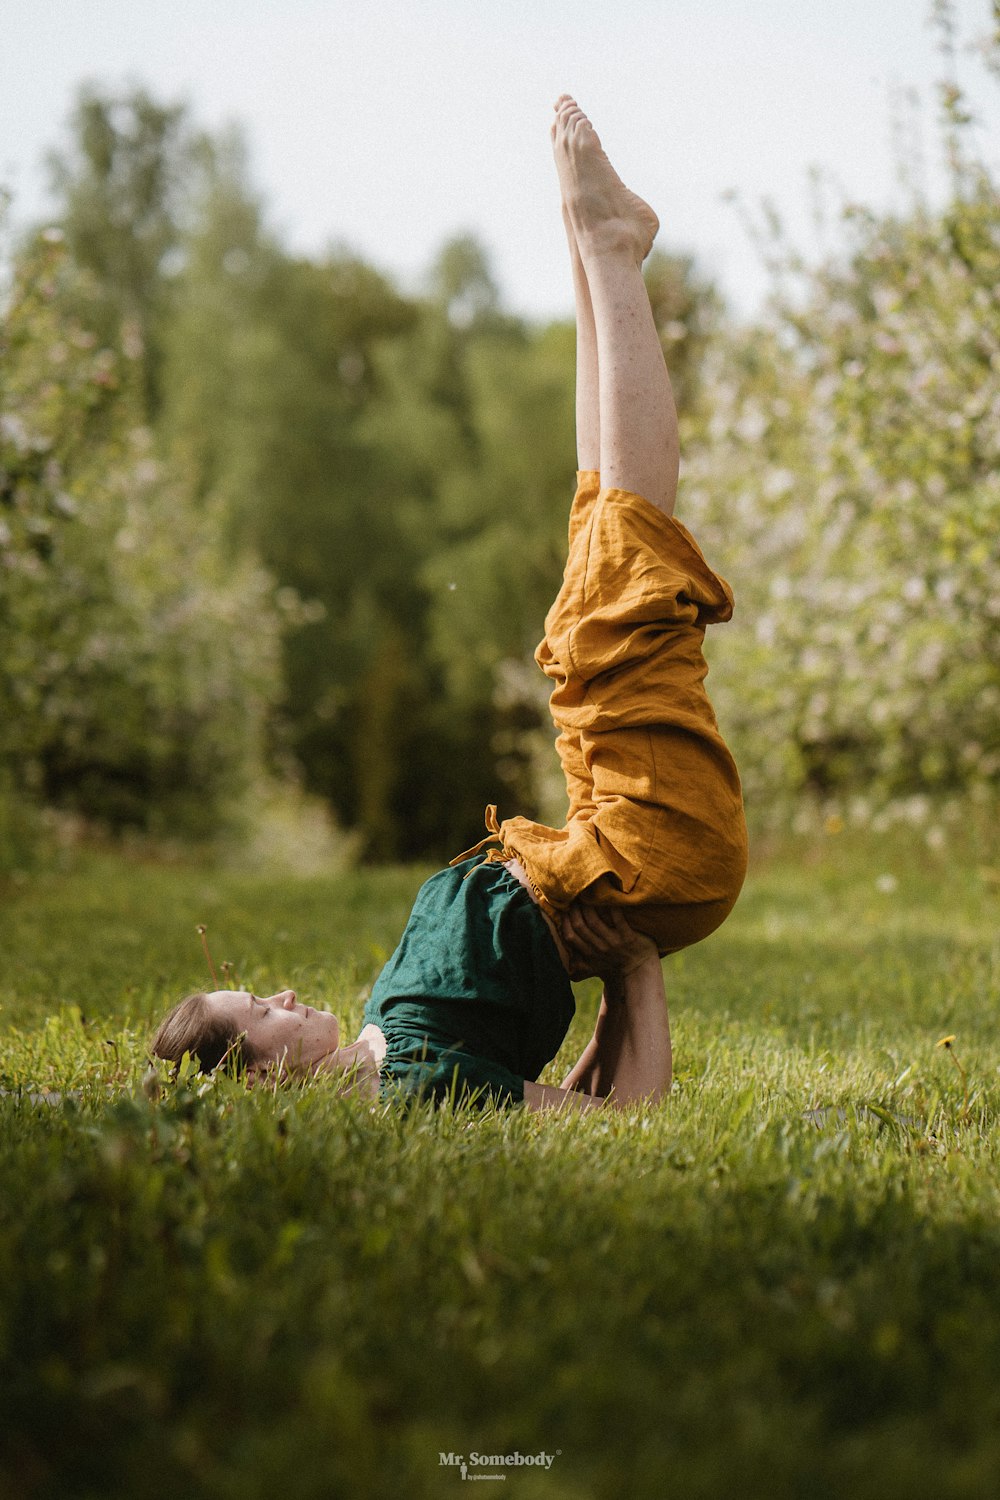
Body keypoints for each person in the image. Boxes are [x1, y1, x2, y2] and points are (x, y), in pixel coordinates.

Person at [151, 97, 747, 1112]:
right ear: (258, 1079)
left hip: (592, 838)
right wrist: (633, 982)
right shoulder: (414, 1085)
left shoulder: (397, 1045)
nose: (283, 991)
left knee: (592, 537)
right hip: (650, 857)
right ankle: (605, 247)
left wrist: (597, 1005)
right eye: (260, 1009)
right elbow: (616, 1127)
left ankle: (593, 252)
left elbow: (552, 1088)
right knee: (621, 577)